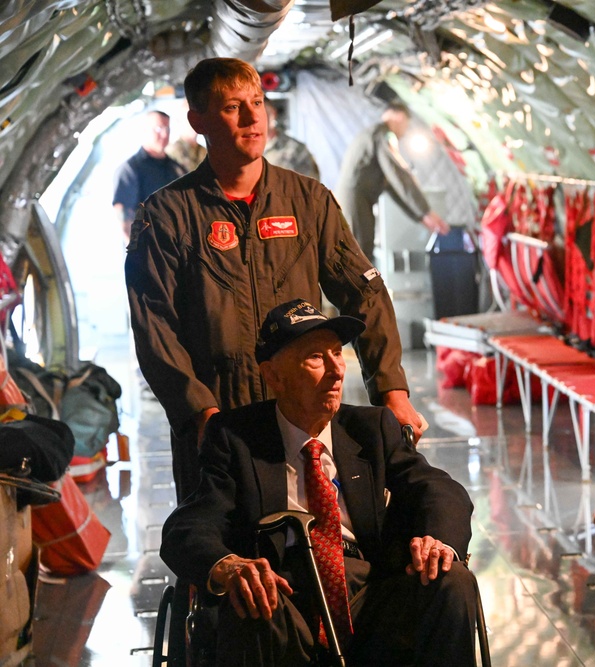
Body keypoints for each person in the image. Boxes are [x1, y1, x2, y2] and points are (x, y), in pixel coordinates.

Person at [125, 58, 425, 503]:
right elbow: (155, 329)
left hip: (302, 411)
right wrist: (198, 413)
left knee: (312, 543)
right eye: (232, 107)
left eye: (257, 103)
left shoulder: (307, 202)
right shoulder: (167, 216)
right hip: (218, 419)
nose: (252, 118)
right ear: (198, 121)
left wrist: (392, 389)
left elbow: (365, 292)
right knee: (222, 554)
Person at [160, 299, 477, 665]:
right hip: (286, 598)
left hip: (369, 592)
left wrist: (439, 541)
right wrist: (228, 565)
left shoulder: (371, 429)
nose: (336, 370)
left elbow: (437, 488)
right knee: (253, 600)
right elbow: (190, 524)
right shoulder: (236, 439)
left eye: (337, 354)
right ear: (273, 376)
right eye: (315, 357)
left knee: (452, 582)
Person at [335, 102, 450, 261]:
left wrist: (421, 215)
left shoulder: (375, 134)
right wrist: (425, 212)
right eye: (406, 126)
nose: (403, 133)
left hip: (355, 199)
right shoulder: (384, 134)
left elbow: (392, 186)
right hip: (355, 199)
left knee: (362, 250)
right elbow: (398, 173)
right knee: (359, 252)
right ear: (400, 117)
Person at [112, 110, 185, 241]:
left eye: (167, 129)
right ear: (144, 131)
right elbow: (125, 222)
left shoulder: (176, 167)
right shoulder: (130, 170)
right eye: (158, 129)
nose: (164, 134)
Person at [263, 98, 320, 180]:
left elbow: (311, 188)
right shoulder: (243, 149)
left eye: (264, 114)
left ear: (273, 114)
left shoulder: (296, 150)